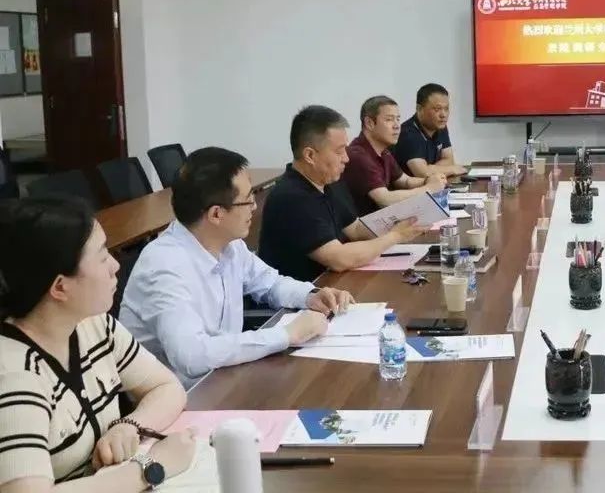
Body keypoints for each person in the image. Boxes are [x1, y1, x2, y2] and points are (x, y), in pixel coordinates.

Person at [0, 197, 196, 490]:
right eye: (102, 257)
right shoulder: (14, 375)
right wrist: (151, 468)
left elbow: (167, 387)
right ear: (60, 287)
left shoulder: (93, 324)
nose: (115, 266)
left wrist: (129, 425)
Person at [120, 147, 355, 389]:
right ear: (216, 214)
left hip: (225, 376)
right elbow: (192, 357)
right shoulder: (164, 267)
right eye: (248, 199)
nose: (254, 206)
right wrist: (287, 334)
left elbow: (270, 283)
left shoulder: (229, 244)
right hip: (182, 395)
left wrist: (310, 295)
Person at [259, 105, 427, 282]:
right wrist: (396, 236)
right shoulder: (291, 197)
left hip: (331, 285)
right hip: (302, 294)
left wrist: (405, 221)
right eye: (339, 151)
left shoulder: (329, 181)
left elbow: (356, 229)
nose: (346, 158)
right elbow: (339, 259)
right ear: (310, 155)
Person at [341, 96, 446, 217]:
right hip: (364, 226)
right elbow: (385, 199)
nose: (397, 126)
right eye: (389, 119)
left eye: (398, 119)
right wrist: (429, 188)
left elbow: (405, 181)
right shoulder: (359, 155)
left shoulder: (383, 151)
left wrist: (430, 180)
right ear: (369, 123)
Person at [394, 83, 468, 178]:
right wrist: (452, 169)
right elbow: (422, 173)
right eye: (437, 109)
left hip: (433, 184)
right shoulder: (408, 133)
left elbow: (449, 160)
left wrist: (431, 168)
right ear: (419, 109)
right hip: (409, 187)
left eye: (446, 109)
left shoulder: (440, 127)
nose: (443, 115)